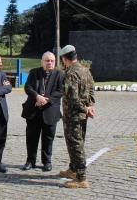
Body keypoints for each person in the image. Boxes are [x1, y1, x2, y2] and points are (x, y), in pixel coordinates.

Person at [59, 45, 96, 188]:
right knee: (78, 142)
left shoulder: (70, 73)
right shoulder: (85, 70)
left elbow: (73, 98)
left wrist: (85, 108)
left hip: (73, 115)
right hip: (82, 115)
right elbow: (92, 89)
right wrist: (90, 106)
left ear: (64, 58)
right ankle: (73, 169)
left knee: (75, 145)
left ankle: (81, 178)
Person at [22, 51, 64, 172]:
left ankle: (47, 162)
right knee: (31, 138)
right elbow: (28, 87)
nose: (49, 63)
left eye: (52, 61)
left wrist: (47, 100)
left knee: (48, 138)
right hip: (33, 111)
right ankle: (30, 161)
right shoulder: (34, 72)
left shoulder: (60, 74)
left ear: (55, 62)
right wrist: (37, 97)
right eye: (47, 60)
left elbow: (60, 91)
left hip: (50, 111)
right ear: (42, 61)